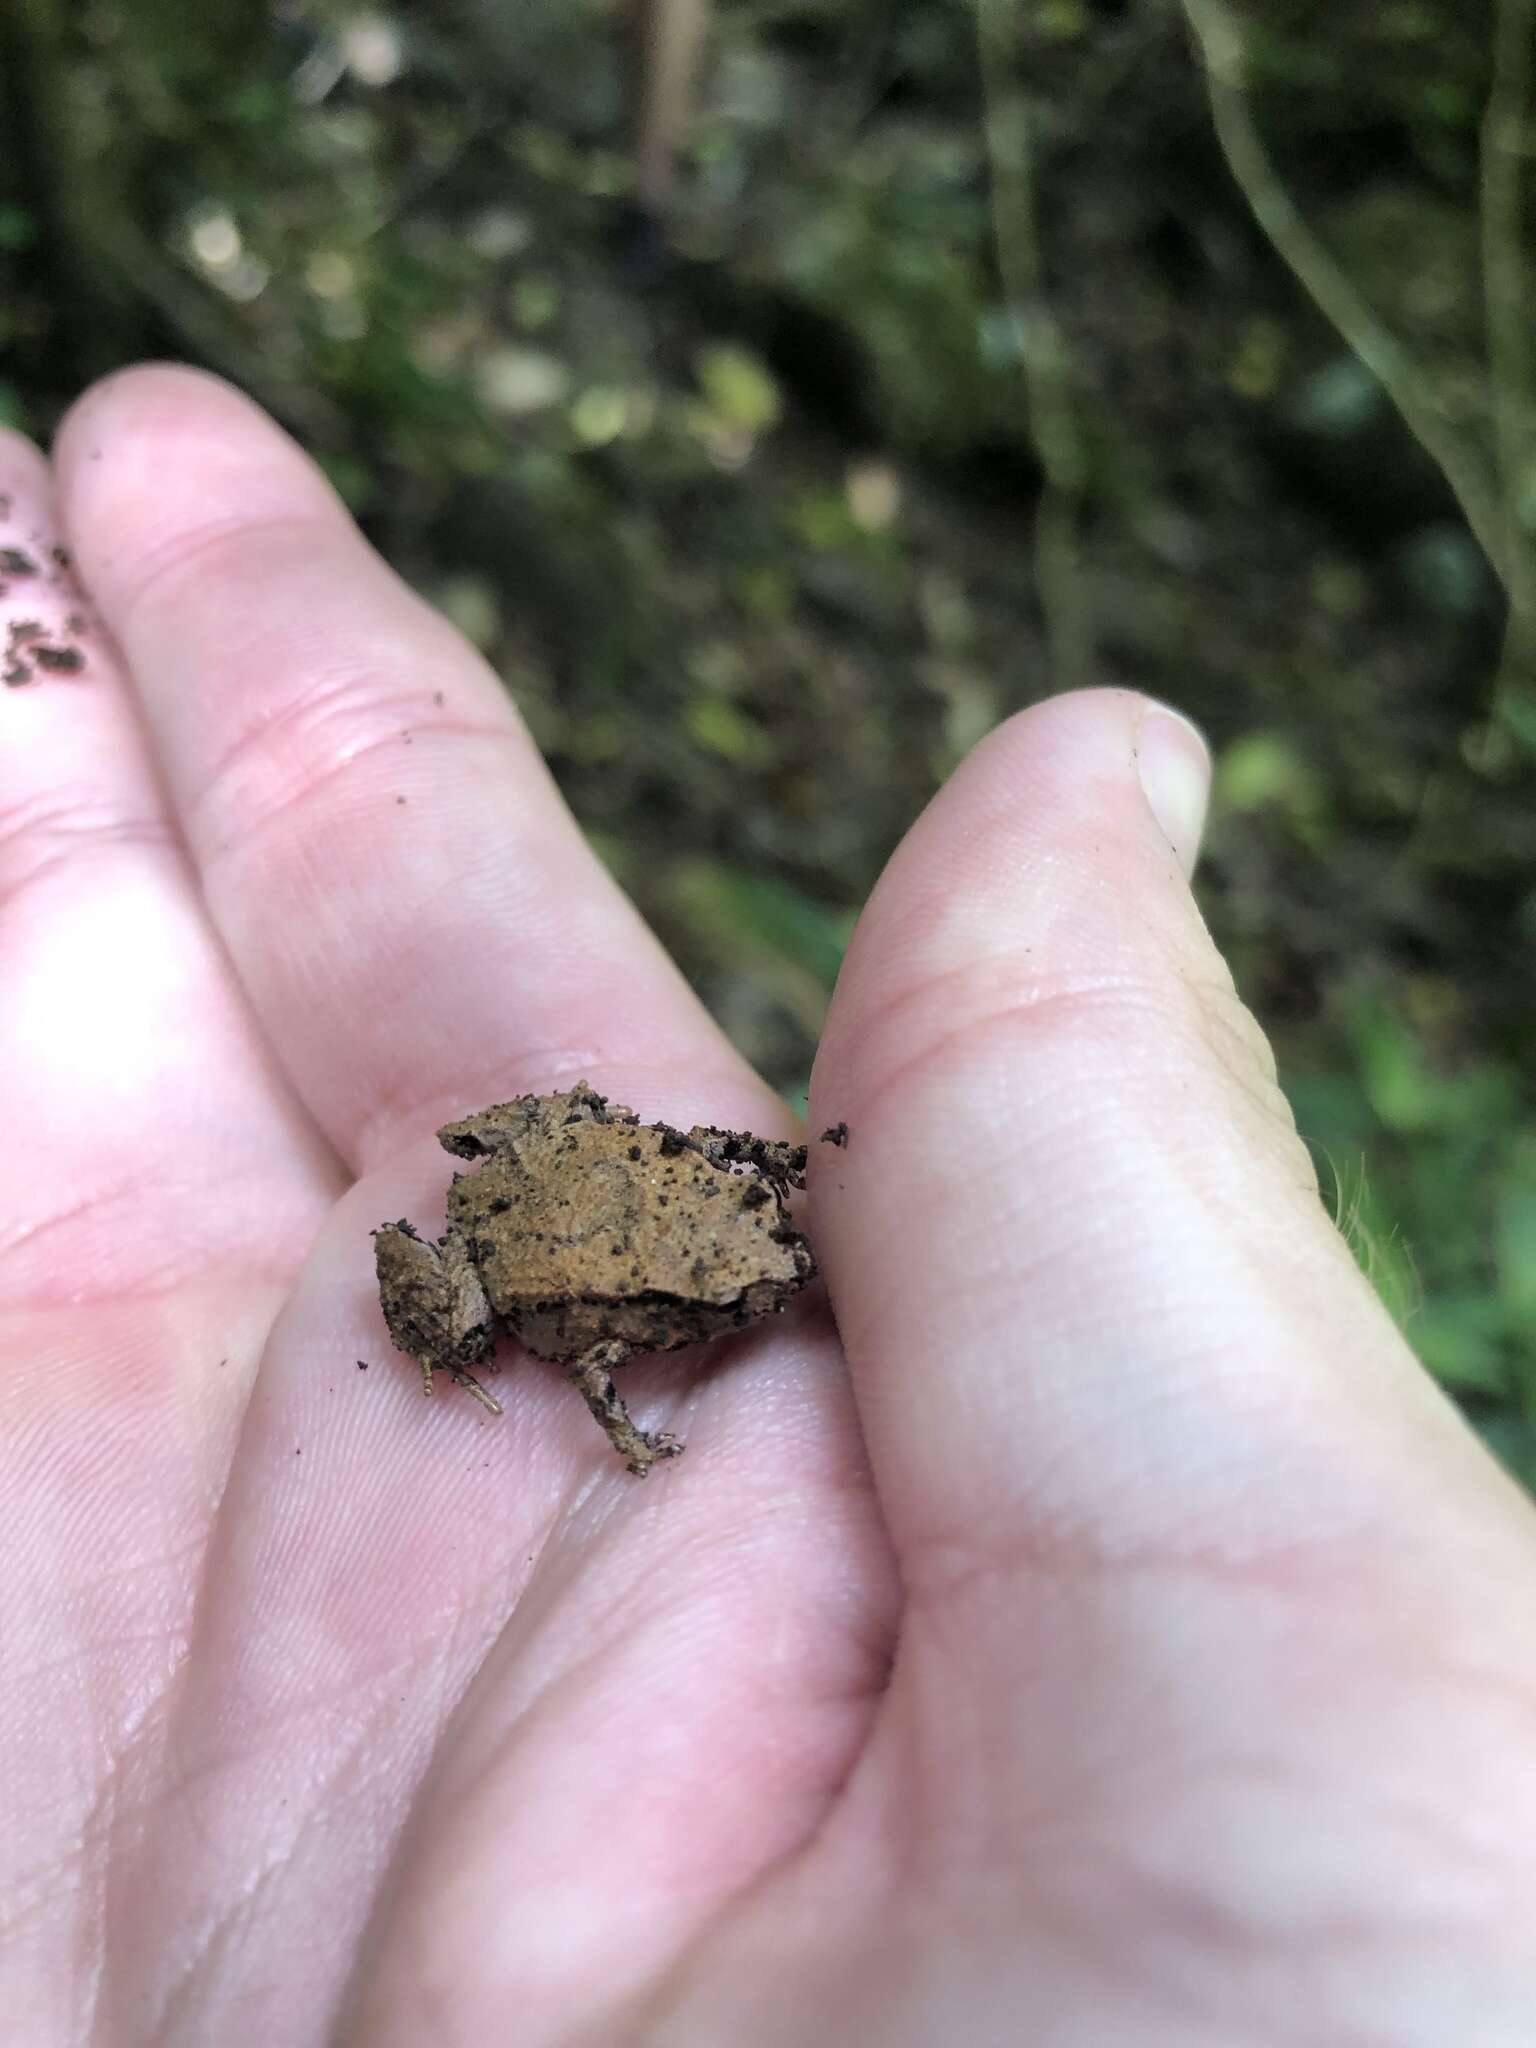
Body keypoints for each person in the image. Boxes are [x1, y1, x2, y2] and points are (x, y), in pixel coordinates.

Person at [2, 366, 1532, 2047]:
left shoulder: (744, 1233)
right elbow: (594, 1373)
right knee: (469, 1304)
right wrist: (628, 1434)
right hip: (528, 1250)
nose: (762, 1303)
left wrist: (703, 1189)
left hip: (579, 1177)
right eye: (734, 1307)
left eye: (754, 1290)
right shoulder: (625, 1333)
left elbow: (735, 1194)